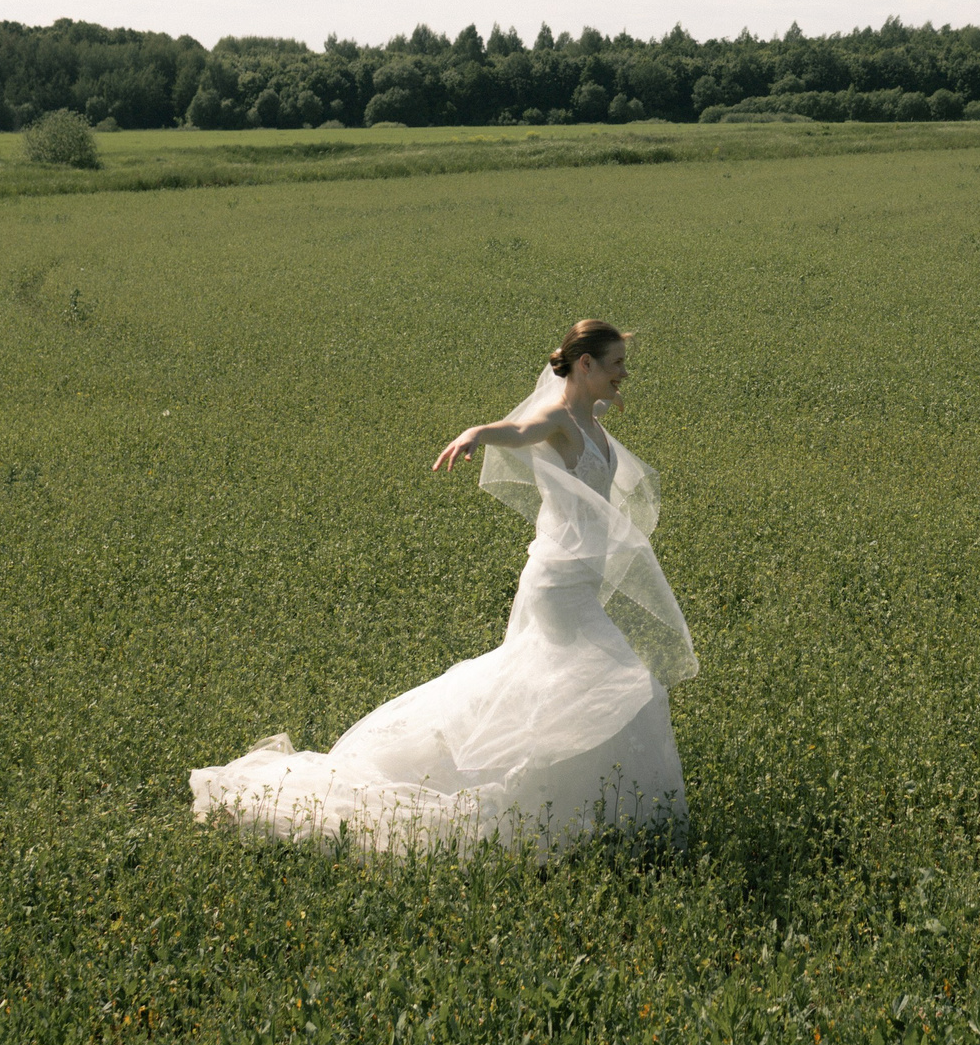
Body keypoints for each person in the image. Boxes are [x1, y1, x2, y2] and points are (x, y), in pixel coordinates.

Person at [190, 320, 693, 852]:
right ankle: (565, 814)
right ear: (585, 365)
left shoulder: (592, 414)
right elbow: (517, 431)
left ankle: (579, 810)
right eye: (615, 364)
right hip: (560, 585)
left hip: (578, 579)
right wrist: (477, 434)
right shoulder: (556, 419)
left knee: (560, 688)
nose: (624, 374)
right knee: (620, 683)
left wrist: (605, 394)